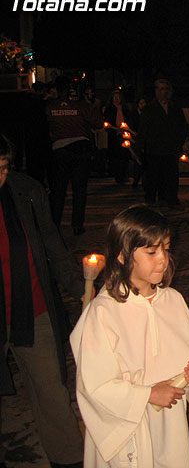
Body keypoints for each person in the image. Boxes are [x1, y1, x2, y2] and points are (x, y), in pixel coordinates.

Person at [70, 204, 189, 467]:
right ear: (123, 256)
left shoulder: (173, 300)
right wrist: (146, 395)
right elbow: (94, 384)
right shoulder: (104, 311)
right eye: (151, 251)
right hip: (126, 426)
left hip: (169, 424)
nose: (163, 258)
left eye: (166, 248)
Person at [0, 133, 85, 468]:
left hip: (32, 311)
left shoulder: (27, 192)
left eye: (3, 168)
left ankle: (70, 461)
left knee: (52, 393)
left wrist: (84, 291)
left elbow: (54, 249)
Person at [46, 75, 102, 235]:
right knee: (79, 190)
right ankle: (77, 224)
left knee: (59, 190)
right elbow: (97, 123)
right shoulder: (81, 105)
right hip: (80, 150)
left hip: (59, 150)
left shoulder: (49, 107)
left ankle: (54, 223)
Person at [137, 79, 187, 210]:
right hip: (154, 150)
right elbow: (143, 130)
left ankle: (171, 199)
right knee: (153, 177)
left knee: (171, 176)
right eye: (159, 89)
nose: (162, 92)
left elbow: (182, 128)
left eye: (164, 89)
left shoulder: (175, 108)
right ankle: (151, 200)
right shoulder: (149, 109)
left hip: (171, 149)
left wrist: (178, 143)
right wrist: (141, 148)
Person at [103, 90, 134, 183]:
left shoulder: (125, 109)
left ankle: (124, 174)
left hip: (124, 135)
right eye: (114, 98)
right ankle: (118, 176)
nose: (116, 100)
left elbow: (129, 120)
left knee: (125, 156)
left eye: (118, 97)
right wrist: (115, 129)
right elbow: (107, 123)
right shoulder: (109, 110)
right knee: (116, 157)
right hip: (114, 136)